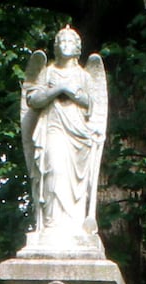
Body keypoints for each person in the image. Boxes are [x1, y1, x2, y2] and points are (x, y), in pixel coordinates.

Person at [24, 28, 98, 238]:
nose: (65, 43)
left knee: (75, 182)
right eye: (61, 40)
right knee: (55, 171)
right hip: (53, 128)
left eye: (70, 41)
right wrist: (58, 89)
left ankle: (74, 227)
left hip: (78, 132)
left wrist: (69, 91)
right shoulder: (47, 72)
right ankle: (52, 225)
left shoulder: (83, 75)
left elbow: (91, 103)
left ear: (77, 48)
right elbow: (33, 100)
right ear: (56, 46)